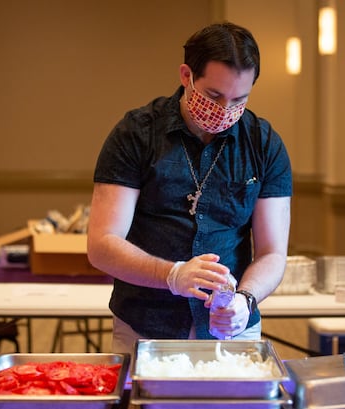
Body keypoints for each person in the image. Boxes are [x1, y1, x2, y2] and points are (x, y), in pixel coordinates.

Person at [87, 22, 292, 355]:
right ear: (187, 76)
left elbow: (272, 253)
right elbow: (102, 245)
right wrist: (171, 274)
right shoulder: (136, 134)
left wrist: (246, 299)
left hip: (232, 328)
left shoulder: (263, 143)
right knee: (145, 408)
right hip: (146, 325)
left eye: (239, 99)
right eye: (213, 95)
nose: (225, 110)